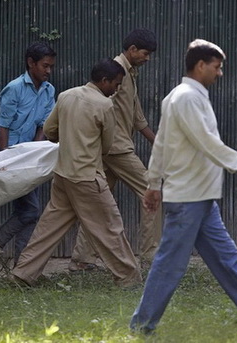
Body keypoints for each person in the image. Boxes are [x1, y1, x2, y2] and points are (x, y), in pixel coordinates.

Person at [129, 39, 237, 333]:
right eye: (217, 67)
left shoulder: (180, 96)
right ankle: (141, 327)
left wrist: (154, 184)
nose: (220, 73)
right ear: (200, 65)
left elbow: (162, 146)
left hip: (200, 196)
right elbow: (208, 143)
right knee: (170, 265)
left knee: (227, 260)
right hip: (188, 198)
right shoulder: (186, 98)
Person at [11, 58, 142, 288]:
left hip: (63, 175)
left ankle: (23, 273)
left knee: (48, 228)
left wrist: (71, 138)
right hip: (88, 178)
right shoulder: (105, 105)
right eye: (116, 84)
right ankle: (129, 279)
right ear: (104, 81)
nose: (117, 89)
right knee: (110, 227)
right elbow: (107, 146)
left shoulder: (66, 96)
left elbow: (50, 131)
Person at [70, 28, 162, 272]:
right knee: (153, 193)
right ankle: (150, 257)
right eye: (145, 53)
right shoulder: (114, 73)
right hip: (116, 148)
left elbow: (137, 117)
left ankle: (81, 259)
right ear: (132, 50)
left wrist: (158, 142)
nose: (147, 58)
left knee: (97, 203)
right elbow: (98, 105)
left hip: (111, 149)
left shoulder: (129, 74)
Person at [0, 42, 56, 275]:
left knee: (28, 211)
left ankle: (18, 263)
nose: (48, 70)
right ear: (31, 63)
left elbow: (43, 126)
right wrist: (6, 161)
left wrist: (36, 153)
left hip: (31, 158)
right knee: (30, 211)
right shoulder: (15, 88)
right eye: (44, 66)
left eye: (51, 66)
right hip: (10, 157)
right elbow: (3, 126)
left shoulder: (49, 90)